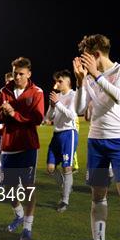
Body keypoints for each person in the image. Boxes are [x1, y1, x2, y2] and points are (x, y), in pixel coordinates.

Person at [72, 34, 120, 240]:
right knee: (98, 195)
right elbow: (80, 108)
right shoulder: (89, 77)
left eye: (85, 58)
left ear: (96, 54)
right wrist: (80, 81)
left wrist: (96, 75)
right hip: (96, 142)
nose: (83, 62)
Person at [0, 57, 44, 240]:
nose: (17, 77)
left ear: (29, 74)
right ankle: (18, 214)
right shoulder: (4, 91)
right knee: (8, 189)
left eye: (21, 74)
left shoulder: (37, 92)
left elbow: (37, 119)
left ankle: (27, 228)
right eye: (15, 73)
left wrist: (14, 114)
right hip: (8, 145)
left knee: (28, 189)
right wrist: (3, 112)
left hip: (27, 146)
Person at [45, 70, 78, 212]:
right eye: (56, 81)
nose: (57, 84)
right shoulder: (56, 96)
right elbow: (49, 117)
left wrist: (57, 103)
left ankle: (64, 201)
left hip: (68, 134)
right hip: (56, 134)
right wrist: (52, 106)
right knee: (50, 168)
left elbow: (71, 115)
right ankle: (66, 186)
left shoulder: (74, 95)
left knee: (67, 167)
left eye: (60, 81)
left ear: (68, 82)